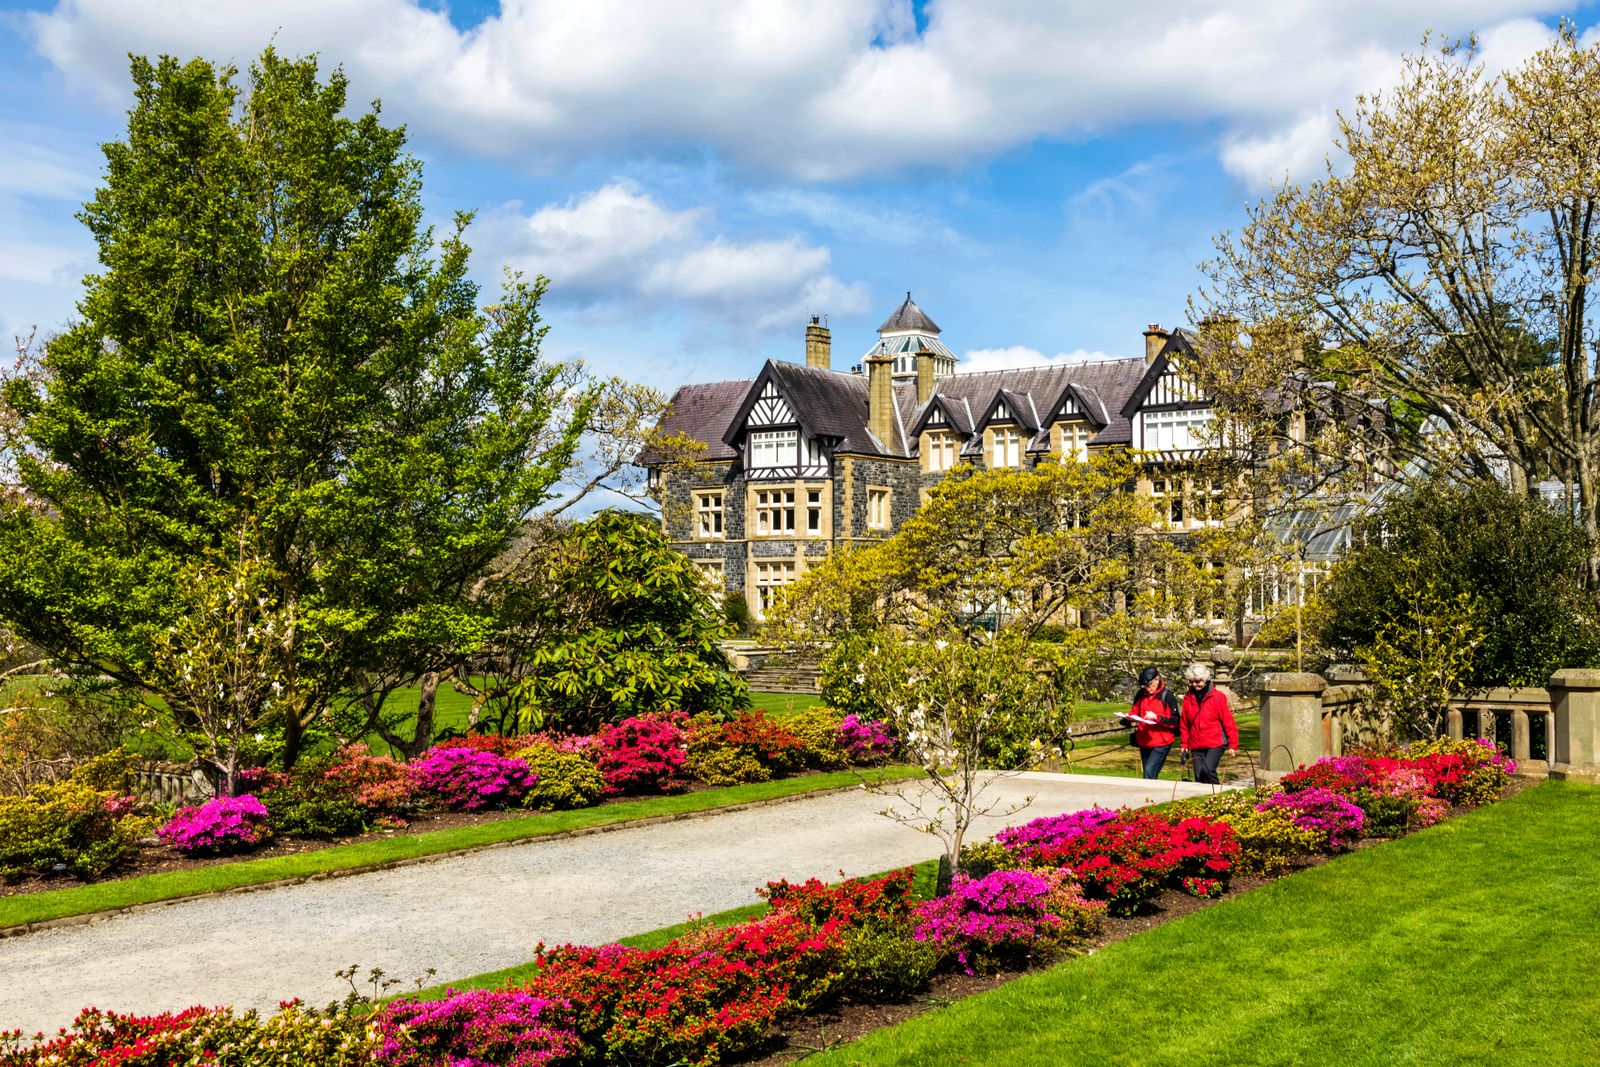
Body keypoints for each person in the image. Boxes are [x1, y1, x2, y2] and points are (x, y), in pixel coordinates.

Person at [1179, 662, 1238, 785]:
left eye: (1198, 681)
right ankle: (1204, 800)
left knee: (1207, 770)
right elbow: (1184, 723)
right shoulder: (1188, 698)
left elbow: (1228, 721)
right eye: (1191, 682)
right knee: (1199, 776)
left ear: (1205, 680)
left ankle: (1216, 795)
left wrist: (1233, 744)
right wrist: (1184, 743)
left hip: (1215, 742)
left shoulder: (1218, 697)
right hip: (1196, 743)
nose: (1194, 685)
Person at [1120, 666, 1181, 779]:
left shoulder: (1167, 696)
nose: (1147, 688)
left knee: (1149, 772)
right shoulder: (1141, 694)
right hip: (1144, 740)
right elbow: (1135, 710)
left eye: (1150, 685)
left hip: (1162, 741)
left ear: (1157, 680)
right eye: (1145, 686)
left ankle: (1148, 796)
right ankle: (1151, 796)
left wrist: (1157, 718)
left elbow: (1175, 721)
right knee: (1149, 775)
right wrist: (1129, 717)